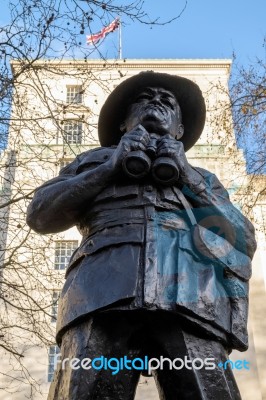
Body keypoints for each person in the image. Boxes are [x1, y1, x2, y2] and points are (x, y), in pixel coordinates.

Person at [27, 72, 256, 400]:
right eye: (145, 98)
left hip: (192, 298)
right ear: (123, 124)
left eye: (168, 102)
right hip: (101, 293)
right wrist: (110, 168)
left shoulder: (203, 178)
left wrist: (188, 177)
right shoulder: (91, 161)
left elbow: (244, 240)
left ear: (179, 130)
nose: (157, 103)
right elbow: (39, 215)